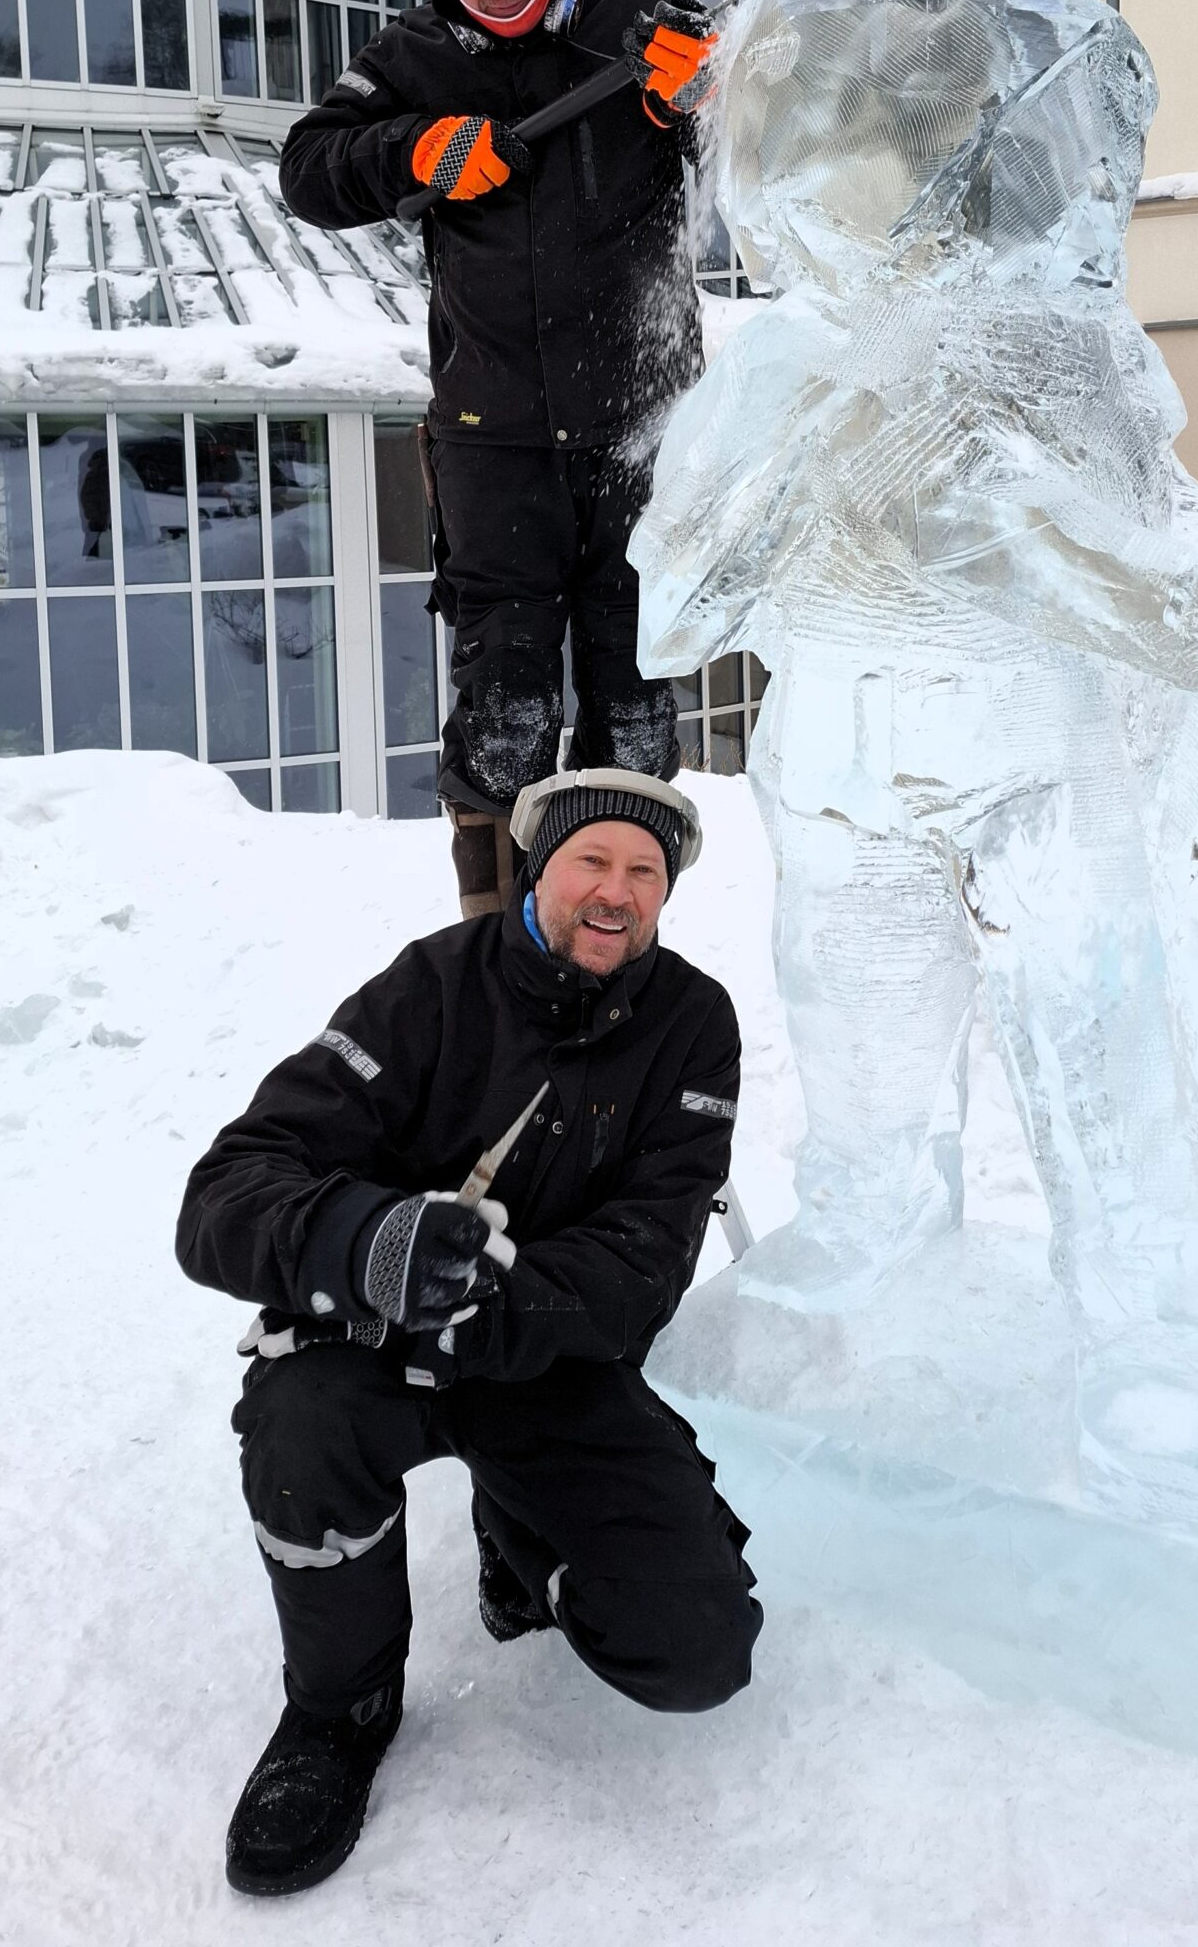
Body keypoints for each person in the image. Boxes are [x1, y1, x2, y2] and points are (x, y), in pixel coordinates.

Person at [176, 765, 760, 1898]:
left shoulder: (693, 1025)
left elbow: (651, 1250)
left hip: (546, 1352)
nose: (617, 891)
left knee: (697, 1652)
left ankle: (520, 1536)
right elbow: (225, 1195)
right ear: (540, 869)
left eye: (645, 872)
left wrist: (506, 1303)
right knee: (301, 1427)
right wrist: (371, 1244)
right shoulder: (430, 991)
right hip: (370, 1341)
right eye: (593, 859)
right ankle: (337, 1709)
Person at [279, 0, 719, 918]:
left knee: (632, 705)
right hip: (492, 443)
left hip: (642, 433)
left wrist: (704, 94)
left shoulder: (635, 9)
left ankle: (619, 945)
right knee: (503, 710)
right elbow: (308, 167)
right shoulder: (409, 63)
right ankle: (498, 953)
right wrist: (416, 149)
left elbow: (757, 123)